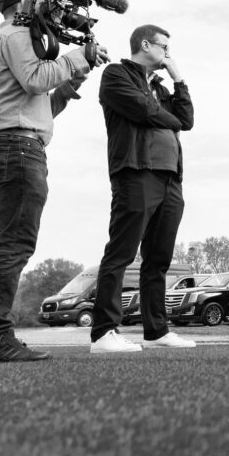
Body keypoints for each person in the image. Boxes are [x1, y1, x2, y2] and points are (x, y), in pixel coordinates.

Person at [0, 0, 103, 363]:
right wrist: (76, 57)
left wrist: (71, 81)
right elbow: (38, 79)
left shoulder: (0, 40)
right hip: (16, 151)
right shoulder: (19, 33)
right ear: (24, 3)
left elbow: (40, 104)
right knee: (12, 246)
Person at [89, 25, 196, 353]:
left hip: (169, 179)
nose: (168, 53)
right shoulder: (116, 75)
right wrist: (170, 118)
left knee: (158, 259)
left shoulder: (163, 87)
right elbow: (144, 111)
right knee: (121, 253)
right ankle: (104, 332)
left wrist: (179, 80)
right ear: (145, 44)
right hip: (135, 173)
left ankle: (156, 330)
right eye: (164, 46)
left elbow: (186, 119)